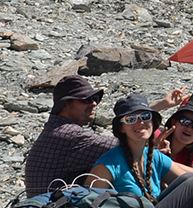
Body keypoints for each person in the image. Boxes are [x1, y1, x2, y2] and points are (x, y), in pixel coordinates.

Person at [24, 76, 184, 195]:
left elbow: (129, 131)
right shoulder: (68, 135)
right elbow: (130, 142)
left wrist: (159, 105)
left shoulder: (56, 129)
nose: (94, 103)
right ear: (66, 104)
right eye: (86, 99)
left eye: (95, 98)